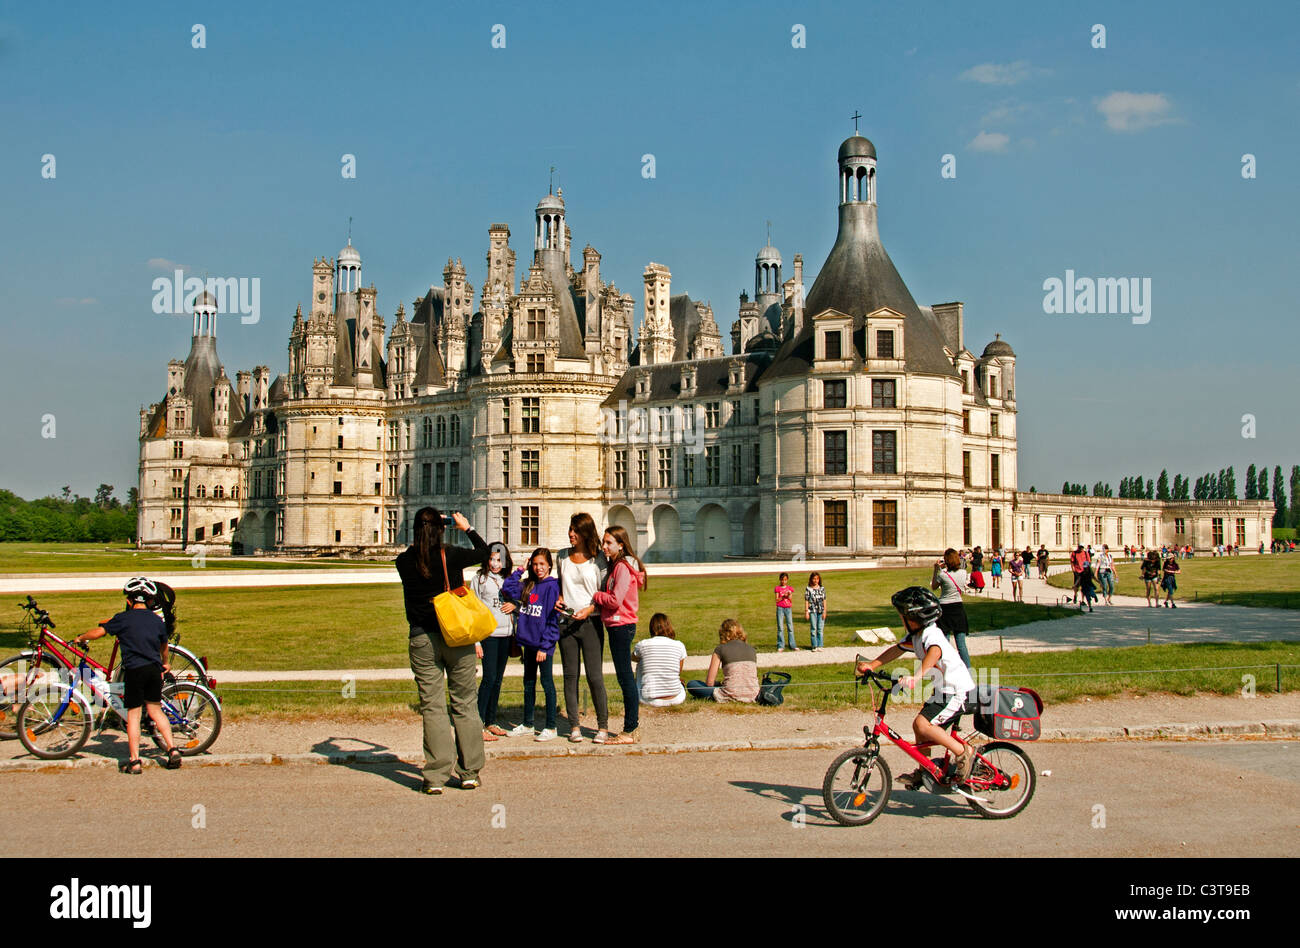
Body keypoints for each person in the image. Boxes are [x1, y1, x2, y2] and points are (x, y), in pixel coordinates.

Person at [396, 508, 490, 793]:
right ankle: (469, 772)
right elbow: (486, 553)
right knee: (464, 704)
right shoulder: (451, 555)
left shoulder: (403, 561)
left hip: (423, 638)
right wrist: (466, 527)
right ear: (442, 529)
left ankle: (435, 776)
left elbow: (418, 555)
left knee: (432, 707)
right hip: (457, 636)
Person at [855, 587, 977, 788]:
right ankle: (926, 770)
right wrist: (872, 664)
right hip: (944, 692)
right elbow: (897, 650)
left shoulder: (931, 634)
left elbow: (935, 653)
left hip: (958, 692)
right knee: (919, 728)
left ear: (913, 618)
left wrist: (916, 677)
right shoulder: (917, 636)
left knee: (922, 725)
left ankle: (964, 752)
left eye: (902, 616)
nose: (900, 620)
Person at [75, 577, 181, 775]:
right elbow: (163, 646)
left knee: (133, 715)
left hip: (134, 670)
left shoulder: (123, 618)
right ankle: (172, 749)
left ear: (129, 601)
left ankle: (135, 760)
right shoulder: (156, 621)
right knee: (155, 710)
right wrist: (165, 662)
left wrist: (81, 637)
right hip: (153, 670)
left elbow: (99, 632)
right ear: (150, 601)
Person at [554, 513, 611, 744]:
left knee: (595, 677)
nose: (570, 534)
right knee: (570, 676)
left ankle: (603, 726)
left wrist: (589, 610)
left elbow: (605, 592)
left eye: (575, 530)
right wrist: (558, 598)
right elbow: (559, 584)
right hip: (566, 623)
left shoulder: (598, 560)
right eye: (570, 529)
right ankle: (574, 725)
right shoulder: (561, 557)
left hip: (590, 622)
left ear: (585, 533)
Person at [591, 525, 647, 745]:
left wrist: (596, 595)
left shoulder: (622, 568)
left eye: (608, 543)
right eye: (603, 542)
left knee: (625, 678)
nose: (604, 547)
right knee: (625, 677)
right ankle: (631, 727)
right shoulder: (619, 565)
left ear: (621, 545)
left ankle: (630, 729)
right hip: (618, 624)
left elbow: (615, 600)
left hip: (621, 625)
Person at [503, 548, 562, 741]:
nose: (538, 568)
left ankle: (551, 726)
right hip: (528, 643)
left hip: (542, 646)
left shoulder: (552, 587)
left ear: (549, 565)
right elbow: (507, 587)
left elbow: (553, 619)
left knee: (547, 684)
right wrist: (521, 569)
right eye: (535, 564)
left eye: (542, 564)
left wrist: (545, 646)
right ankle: (528, 723)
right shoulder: (528, 585)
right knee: (528, 684)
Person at [470, 542, 514, 742]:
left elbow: (520, 599)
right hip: (489, 634)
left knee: (497, 679)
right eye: (492, 559)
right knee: (488, 678)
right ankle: (477, 723)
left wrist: (515, 604)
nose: (495, 564)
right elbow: (473, 609)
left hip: (506, 633)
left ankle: (491, 720)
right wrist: (476, 641)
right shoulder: (479, 579)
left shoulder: (509, 579)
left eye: (499, 560)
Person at [686, 619, 759, 703]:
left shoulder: (720, 649)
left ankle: (714, 697)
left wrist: (718, 684)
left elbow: (709, 682)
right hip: (753, 694)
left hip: (730, 694)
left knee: (692, 684)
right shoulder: (751, 649)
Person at [930, 549, 973, 668]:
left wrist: (936, 570)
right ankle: (968, 669)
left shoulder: (943, 575)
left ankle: (946, 667)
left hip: (945, 608)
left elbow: (934, 586)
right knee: (961, 644)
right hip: (958, 607)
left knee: (945, 643)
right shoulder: (963, 573)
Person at [633, 613, 687, 707]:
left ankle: (651, 688)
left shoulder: (643, 644)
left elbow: (633, 658)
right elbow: (678, 671)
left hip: (647, 699)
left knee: (641, 662)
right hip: (675, 698)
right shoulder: (679, 645)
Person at [804, 572, 828, 651]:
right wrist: (806, 611)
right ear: (811, 579)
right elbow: (807, 600)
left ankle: (820, 645)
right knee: (813, 628)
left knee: (820, 629)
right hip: (812, 610)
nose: (815, 580)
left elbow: (824, 600)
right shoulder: (808, 589)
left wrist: (825, 611)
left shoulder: (822, 589)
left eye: (817, 579)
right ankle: (814, 645)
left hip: (820, 610)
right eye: (814, 579)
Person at [774, 572, 797, 651]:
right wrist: (783, 597)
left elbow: (791, 599)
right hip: (780, 608)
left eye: (785, 580)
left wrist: (789, 595)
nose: (783, 581)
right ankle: (781, 645)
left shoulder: (790, 588)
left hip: (788, 608)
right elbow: (777, 600)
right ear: (780, 580)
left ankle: (792, 644)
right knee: (780, 627)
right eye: (782, 580)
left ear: (787, 580)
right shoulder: (777, 588)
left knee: (790, 626)